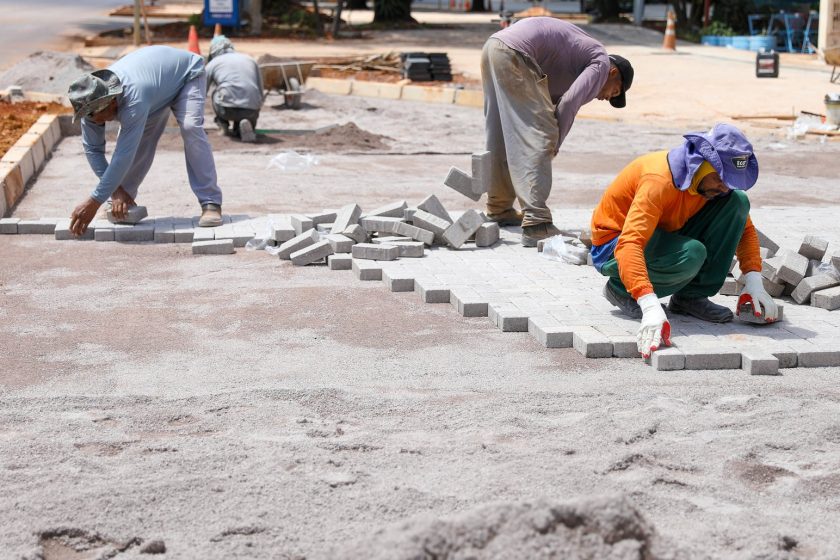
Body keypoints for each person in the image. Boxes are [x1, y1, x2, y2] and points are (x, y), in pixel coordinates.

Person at [590, 123, 779, 358]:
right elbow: (631, 243)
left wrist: (754, 282)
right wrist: (649, 304)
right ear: (702, 164)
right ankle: (619, 289)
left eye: (730, 181)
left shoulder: (715, 186)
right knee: (692, 254)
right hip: (614, 244)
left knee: (738, 203)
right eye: (721, 179)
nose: (724, 187)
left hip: (662, 232)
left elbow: (745, 230)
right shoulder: (659, 181)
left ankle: (690, 298)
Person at [482, 16, 633, 247]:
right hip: (515, 54)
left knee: (501, 134)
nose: (605, 98)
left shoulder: (570, 64)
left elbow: (549, 102)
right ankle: (537, 223)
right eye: (614, 92)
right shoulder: (601, 63)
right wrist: (554, 142)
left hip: (494, 47)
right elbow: (569, 104)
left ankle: (499, 207)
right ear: (614, 73)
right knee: (540, 136)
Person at [67, 45, 224, 236]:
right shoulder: (90, 105)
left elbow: (123, 154)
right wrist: (114, 192)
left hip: (187, 74)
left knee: (191, 127)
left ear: (112, 101)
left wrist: (94, 200)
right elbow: (93, 150)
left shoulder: (134, 99)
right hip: (157, 89)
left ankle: (210, 202)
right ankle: (122, 202)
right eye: (89, 117)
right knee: (141, 140)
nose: (95, 121)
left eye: (97, 115)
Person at [205, 35, 264, 143]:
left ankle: (223, 125)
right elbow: (261, 91)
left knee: (215, 91)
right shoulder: (250, 60)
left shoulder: (213, 63)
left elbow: (200, 92)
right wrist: (256, 109)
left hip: (227, 110)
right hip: (251, 110)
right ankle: (244, 126)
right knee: (249, 99)